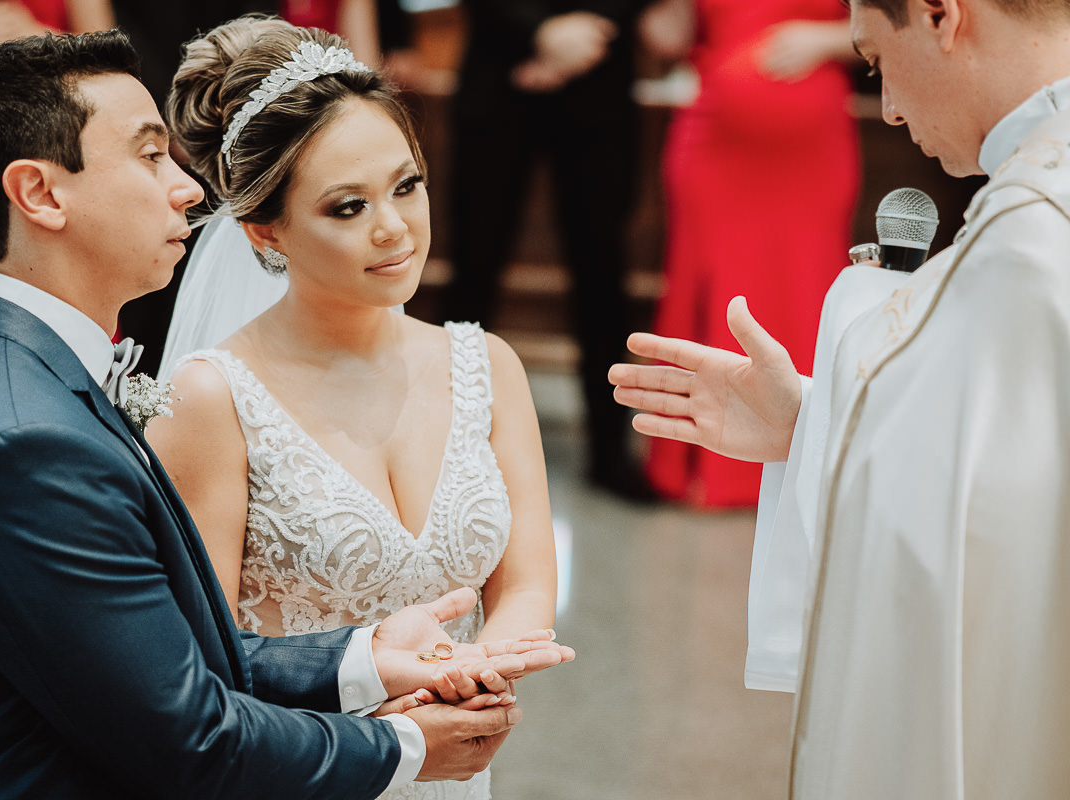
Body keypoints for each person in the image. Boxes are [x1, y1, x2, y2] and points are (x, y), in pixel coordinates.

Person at [0, 30, 574, 799]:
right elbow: (186, 735)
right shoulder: (23, 440)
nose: (188, 188)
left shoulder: (12, 373)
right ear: (40, 193)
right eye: (150, 156)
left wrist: (366, 657)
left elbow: (168, 659)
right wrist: (407, 744)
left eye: (408, 184)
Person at [611, 0, 1070, 796]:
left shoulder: (1029, 239)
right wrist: (810, 422)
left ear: (940, 15)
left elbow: (992, 527)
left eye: (876, 60)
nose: (887, 107)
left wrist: (828, 419)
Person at [146, 17, 559, 799]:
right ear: (265, 231)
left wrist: (477, 671)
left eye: (406, 185)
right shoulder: (212, 398)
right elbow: (200, 653)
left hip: (455, 765)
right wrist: (394, 724)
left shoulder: (488, 365)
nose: (394, 228)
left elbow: (526, 580)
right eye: (347, 208)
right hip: (299, 767)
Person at [638, 0, 860, 508]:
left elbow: (910, 24)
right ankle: (701, 460)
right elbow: (667, 37)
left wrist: (824, 39)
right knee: (711, 293)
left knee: (806, 290)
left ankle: (807, 461)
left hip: (809, 151)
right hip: (716, 138)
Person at [443, 0, 652, 500]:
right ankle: (445, 439)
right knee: (474, 266)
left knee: (603, 271)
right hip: (501, 70)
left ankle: (609, 450)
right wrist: (539, 32)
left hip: (599, 74)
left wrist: (587, 32)